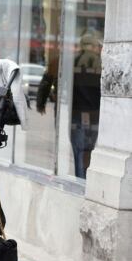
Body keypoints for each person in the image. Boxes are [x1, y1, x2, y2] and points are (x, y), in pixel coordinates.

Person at [36, 31, 102, 178]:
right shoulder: (102, 62)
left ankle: (81, 181)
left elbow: (48, 79)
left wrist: (41, 102)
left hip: (76, 114)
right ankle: (85, 179)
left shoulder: (67, 60)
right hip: (95, 115)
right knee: (88, 150)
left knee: (79, 151)